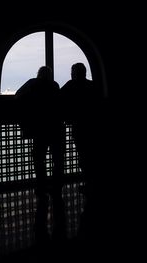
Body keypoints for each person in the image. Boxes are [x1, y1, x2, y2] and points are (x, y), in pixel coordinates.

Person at [15, 66, 66, 242]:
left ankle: (41, 187)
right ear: (50, 75)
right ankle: (56, 187)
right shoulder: (55, 85)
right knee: (57, 159)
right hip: (56, 128)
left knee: (38, 159)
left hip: (39, 129)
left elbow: (18, 96)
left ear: (38, 74)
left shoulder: (32, 84)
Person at [60, 62, 101, 239]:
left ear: (74, 73)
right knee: (93, 156)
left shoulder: (71, 86)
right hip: (94, 129)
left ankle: (89, 184)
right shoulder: (92, 86)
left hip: (78, 128)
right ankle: (94, 184)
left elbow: (58, 98)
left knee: (83, 157)